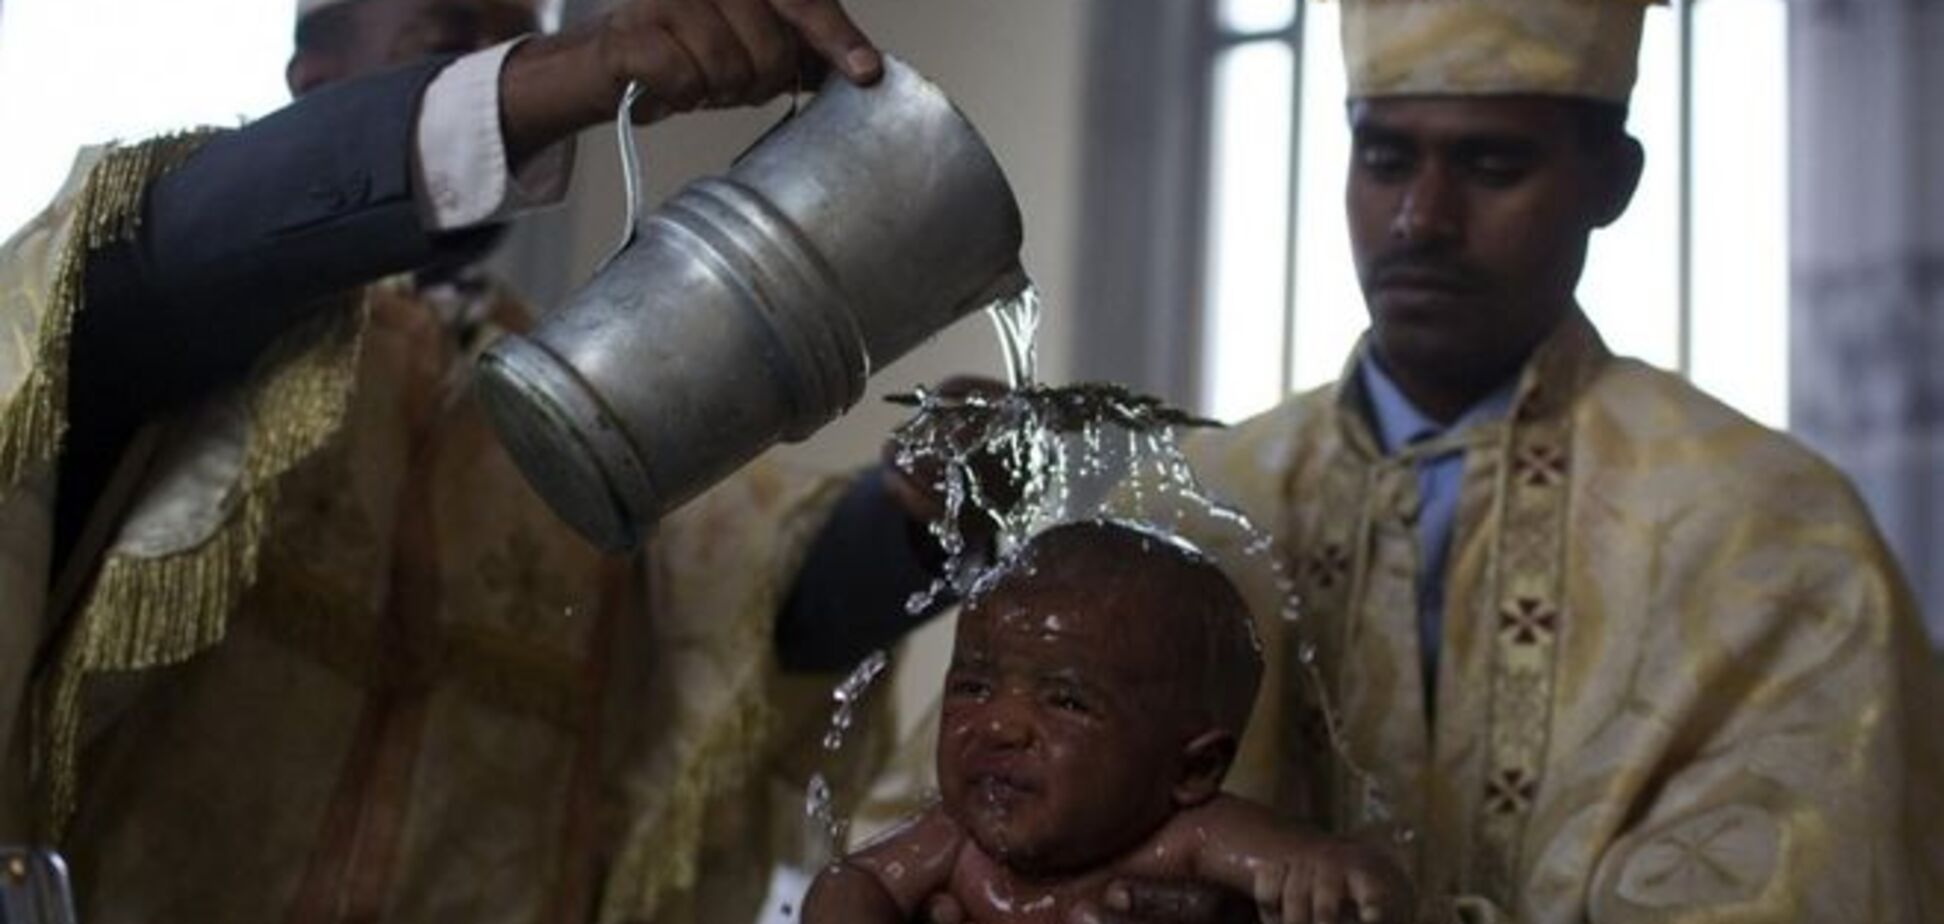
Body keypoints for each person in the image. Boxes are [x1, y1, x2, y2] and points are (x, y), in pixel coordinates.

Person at [811, 0, 1944, 920]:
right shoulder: (1205, 504)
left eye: (1491, 165)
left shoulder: (1777, 537)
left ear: (1613, 180)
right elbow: (943, 834)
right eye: (1384, 157)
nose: (1419, 219)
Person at [0, 1, 898, 921]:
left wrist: (912, 512)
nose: (517, 74)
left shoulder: (568, 387)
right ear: (314, 75)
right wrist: (572, 70)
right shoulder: (200, 304)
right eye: (449, 42)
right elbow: (136, 270)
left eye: (519, 42)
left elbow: (732, 605)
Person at [802, 520, 1412, 924]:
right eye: (973, 687)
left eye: (1066, 701)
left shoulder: (1188, 840)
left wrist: (1340, 881)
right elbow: (849, 882)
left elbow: (1329, 870)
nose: (1000, 726)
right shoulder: (956, 841)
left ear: (1194, 768)